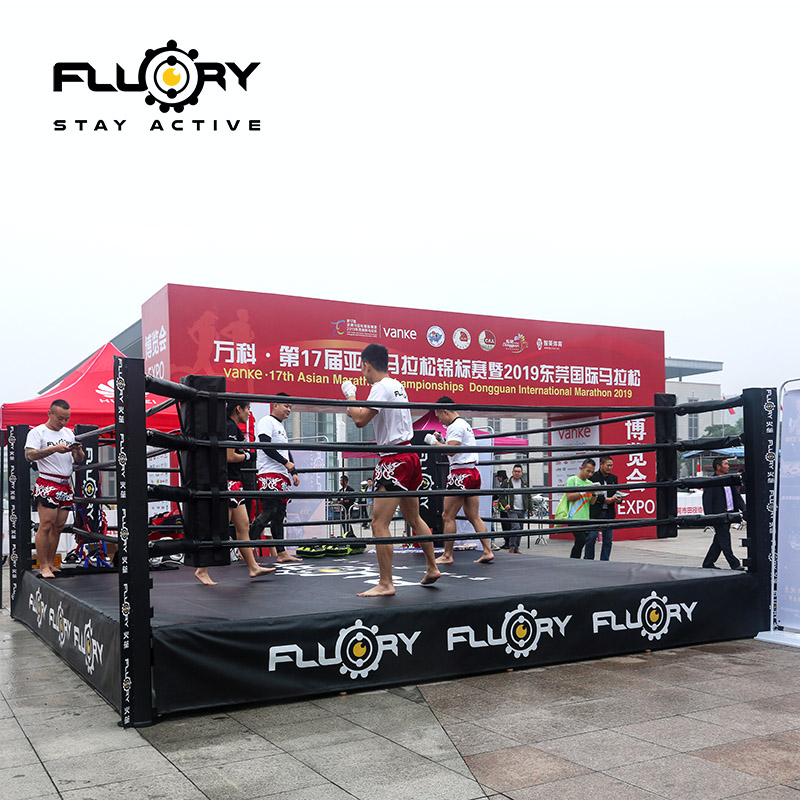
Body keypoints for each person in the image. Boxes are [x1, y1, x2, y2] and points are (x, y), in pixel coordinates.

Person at [343, 343, 441, 596]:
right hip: (409, 455)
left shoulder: (380, 387)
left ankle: (386, 583)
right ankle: (432, 567)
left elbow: (360, 419)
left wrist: (350, 395)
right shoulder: (398, 385)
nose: (362, 372)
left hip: (394, 459)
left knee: (378, 523)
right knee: (414, 518)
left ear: (367, 365)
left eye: (362, 367)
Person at [194, 401, 277, 585]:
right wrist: (248, 455)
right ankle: (201, 569)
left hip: (233, 483)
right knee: (219, 527)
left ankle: (253, 567)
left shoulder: (230, 426)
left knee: (243, 526)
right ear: (238, 409)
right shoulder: (229, 426)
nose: (249, 413)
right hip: (228, 483)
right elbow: (229, 456)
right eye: (247, 409)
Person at [426, 397, 494, 564]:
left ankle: (447, 555)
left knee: (447, 515)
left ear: (445, 411)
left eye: (439, 416)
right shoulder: (464, 424)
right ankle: (487, 551)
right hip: (472, 472)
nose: (440, 421)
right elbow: (456, 447)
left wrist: (433, 442)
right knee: (474, 516)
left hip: (460, 474)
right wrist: (442, 441)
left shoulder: (455, 426)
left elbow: (451, 451)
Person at [24, 400, 84, 579]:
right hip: (47, 482)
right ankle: (43, 566)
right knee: (46, 525)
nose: (63, 422)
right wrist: (54, 449)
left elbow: (79, 459)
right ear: (49, 413)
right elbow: (29, 455)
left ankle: (50, 564)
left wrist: (77, 451)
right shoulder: (37, 432)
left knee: (58, 527)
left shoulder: (69, 433)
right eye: (60, 418)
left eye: (66, 419)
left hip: (65, 483)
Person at [249, 393, 302, 563]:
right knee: (269, 511)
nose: (289, 410)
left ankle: (281, 552)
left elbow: (284, 450)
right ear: (276, 405)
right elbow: (265, 445)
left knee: (279, 514)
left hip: (281, 474)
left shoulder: (280, 426)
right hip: (268, 473)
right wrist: (286, 463)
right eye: (286, 406)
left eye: (290, 407)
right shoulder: (266, 421)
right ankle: (246, 548)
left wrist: (293, 472)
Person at [702, 457, 746, 570]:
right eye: (726, 464)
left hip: (730, 515)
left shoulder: (729, 480)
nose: (728, 466)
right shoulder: (711, 482)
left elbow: (737, 497)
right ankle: (734, 564)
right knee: (725, 540)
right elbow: (707, 500)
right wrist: (709, 517)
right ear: (718, 467)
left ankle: (708, 562)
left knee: (719, 540)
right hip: (718, 516)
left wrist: (745, 510)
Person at [586, 456, 622, 561]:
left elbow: (616, 492)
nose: (610, 467)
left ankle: (605, 560)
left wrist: (619, 499)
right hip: (596, 512)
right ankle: (588, 559)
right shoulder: (593, 477)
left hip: (609, 512)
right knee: (591, 537)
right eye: (608, 465)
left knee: (608, 540)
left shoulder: (614, 478)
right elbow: (591, 494)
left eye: (611, 465)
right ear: (601, 464)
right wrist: (604, 500)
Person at [565, 458, 598, 558]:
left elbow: (592, 502)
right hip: (573, 517)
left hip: (585, 517)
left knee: (580, 542)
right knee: (581, 540)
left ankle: (575, 560)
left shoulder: (590, 483)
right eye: (588, 471)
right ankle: (573, 560)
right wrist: (584, 491)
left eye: (592, 472)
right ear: (581, 468)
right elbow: (569, 497)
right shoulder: (572, 480)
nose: (590, 474)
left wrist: (595, 493)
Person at [499, 465, 533, 553]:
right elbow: (501, 496)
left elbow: (529, 496)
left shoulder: (524, 483)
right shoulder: (507, 482)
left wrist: (531, 508)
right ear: (512, 472)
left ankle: (516, 548)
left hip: (522, 509)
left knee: (520, 529)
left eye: (518, 471)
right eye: (515, 471)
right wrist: (505, 505)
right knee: (516, 527)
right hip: (512, 509)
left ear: (522, 473)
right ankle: (512, 547)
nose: (517, 473)